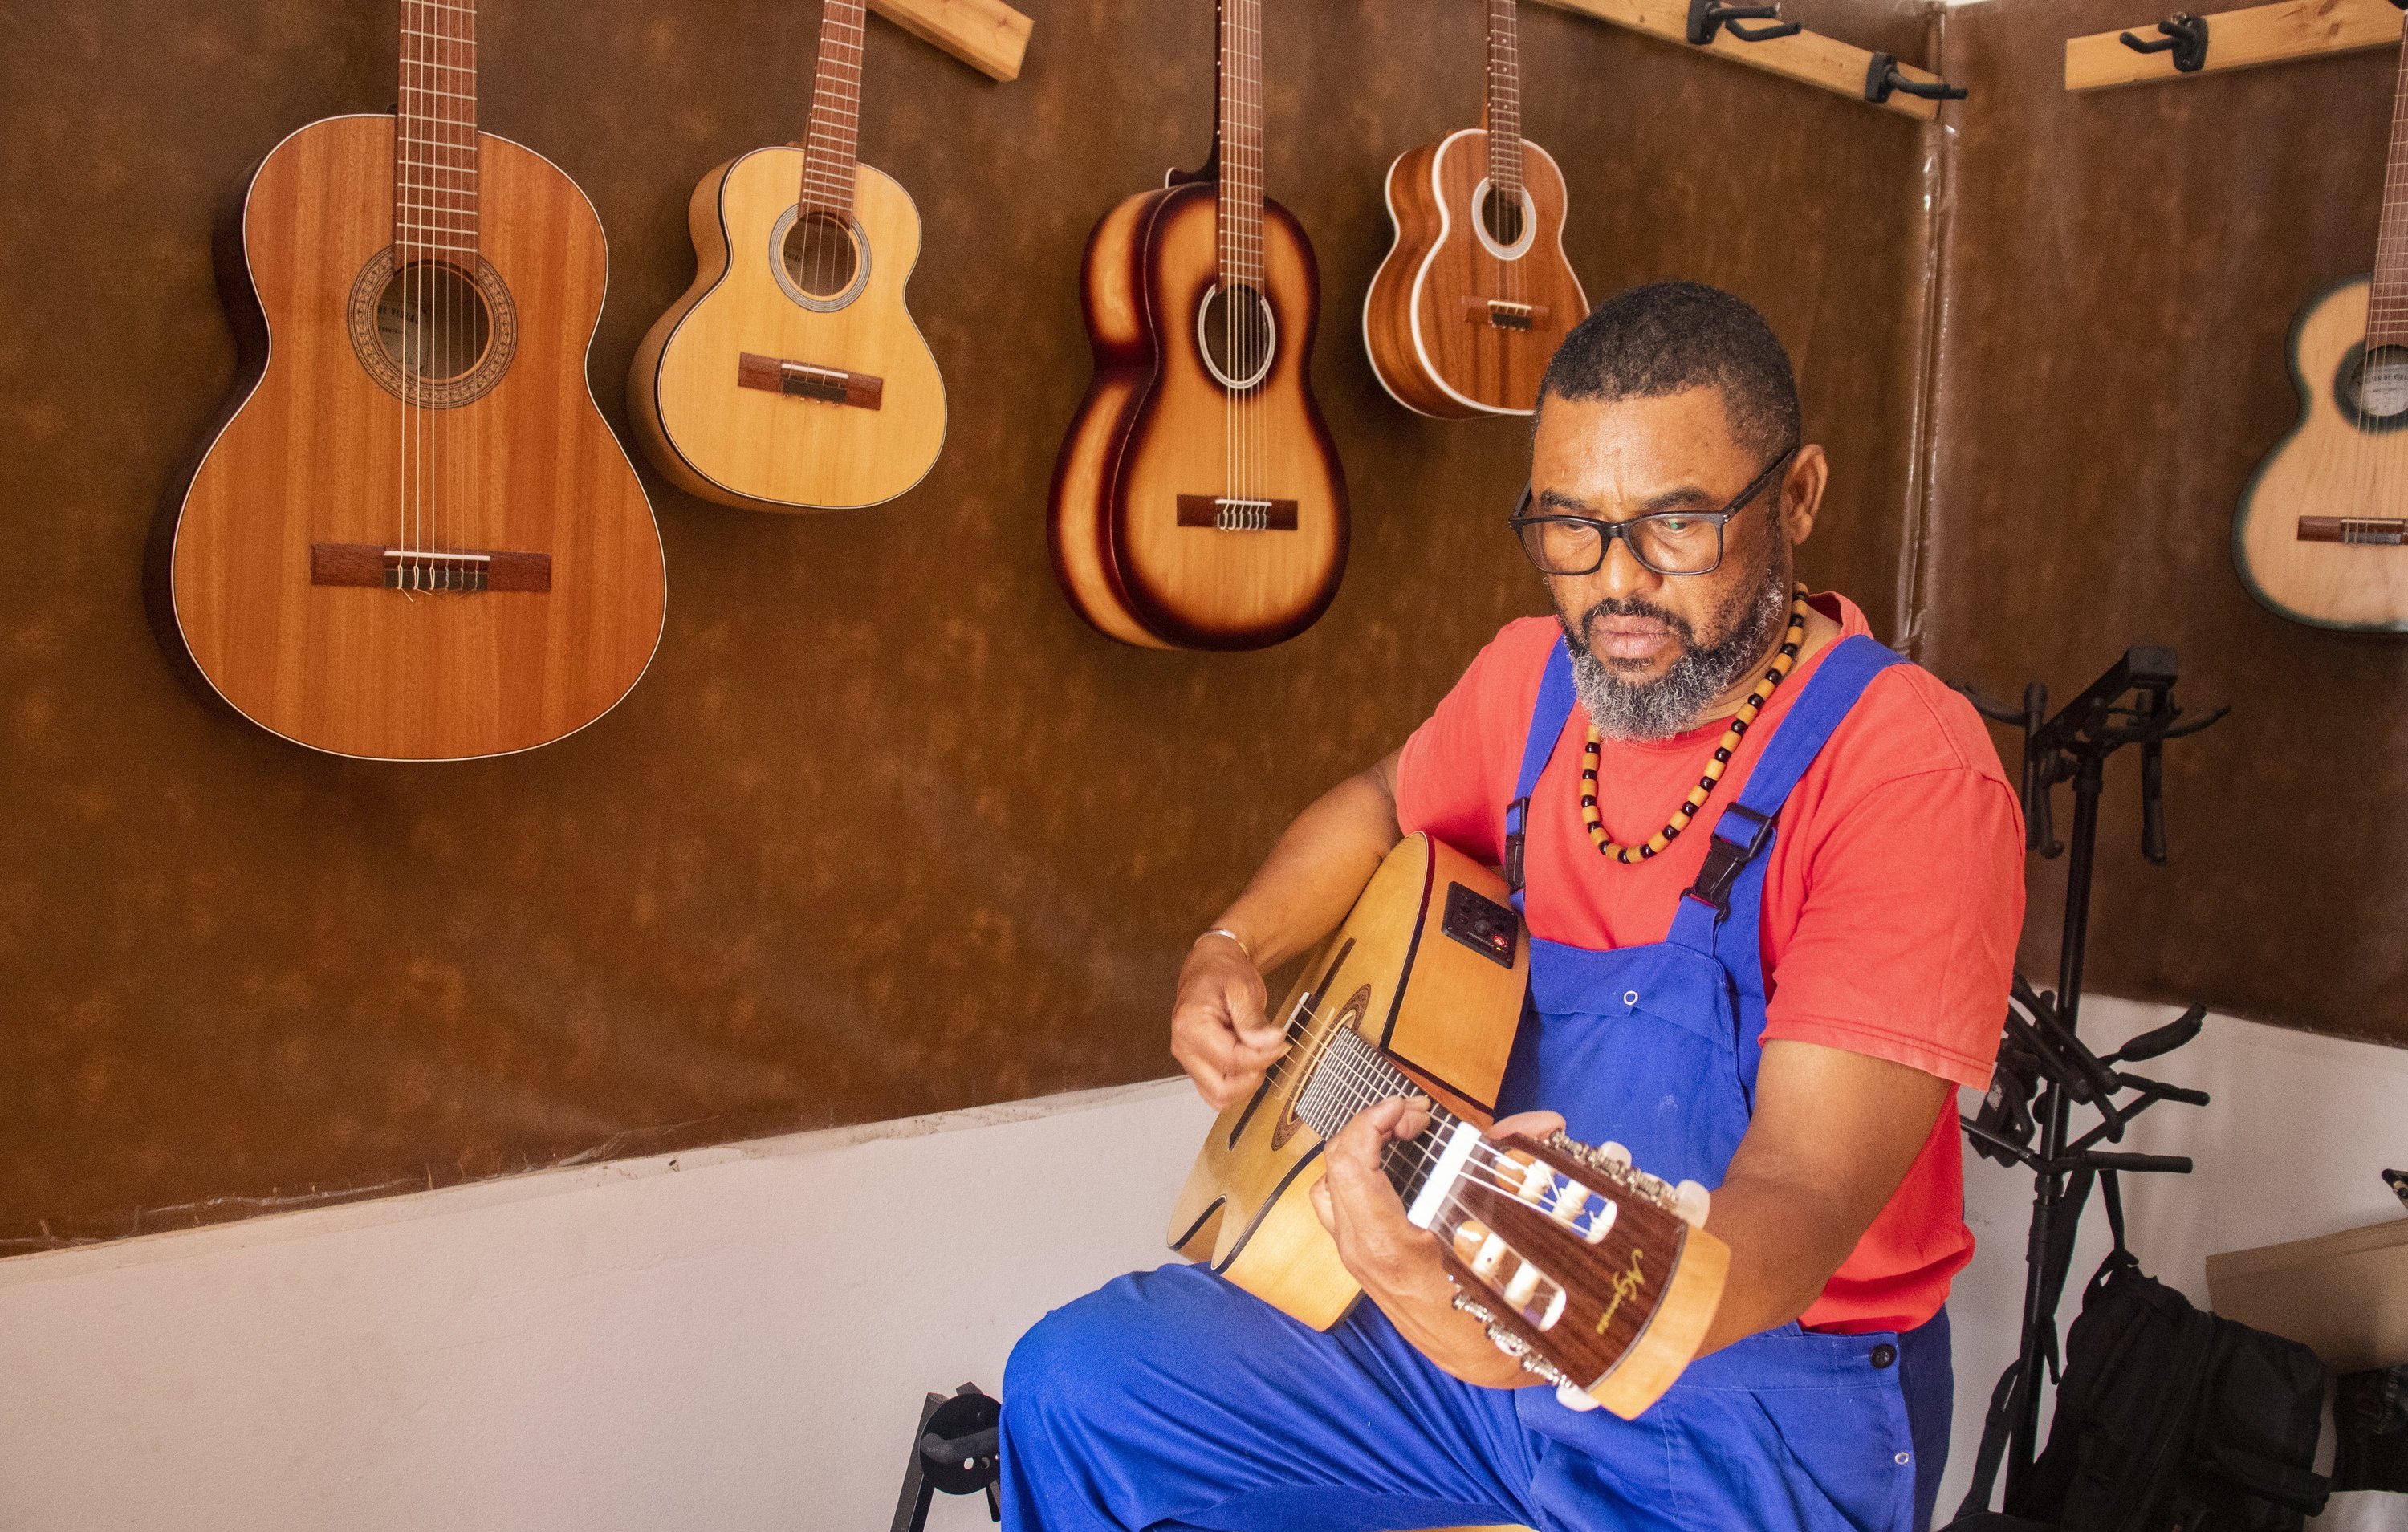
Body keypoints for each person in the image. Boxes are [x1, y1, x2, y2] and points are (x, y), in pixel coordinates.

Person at [1001, 281, 2024, 1532]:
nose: (1617, 589)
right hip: (1469, 1332)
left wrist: (1478, 1312)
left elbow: (1802, 1197)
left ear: (1798, 495)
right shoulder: (1534, 683)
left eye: (1678, 525)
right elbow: (1381, 801)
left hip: (1748, 1402)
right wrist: (1234, 944)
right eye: (1570, 529)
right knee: (1079, 1385)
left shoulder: (1907, 768)